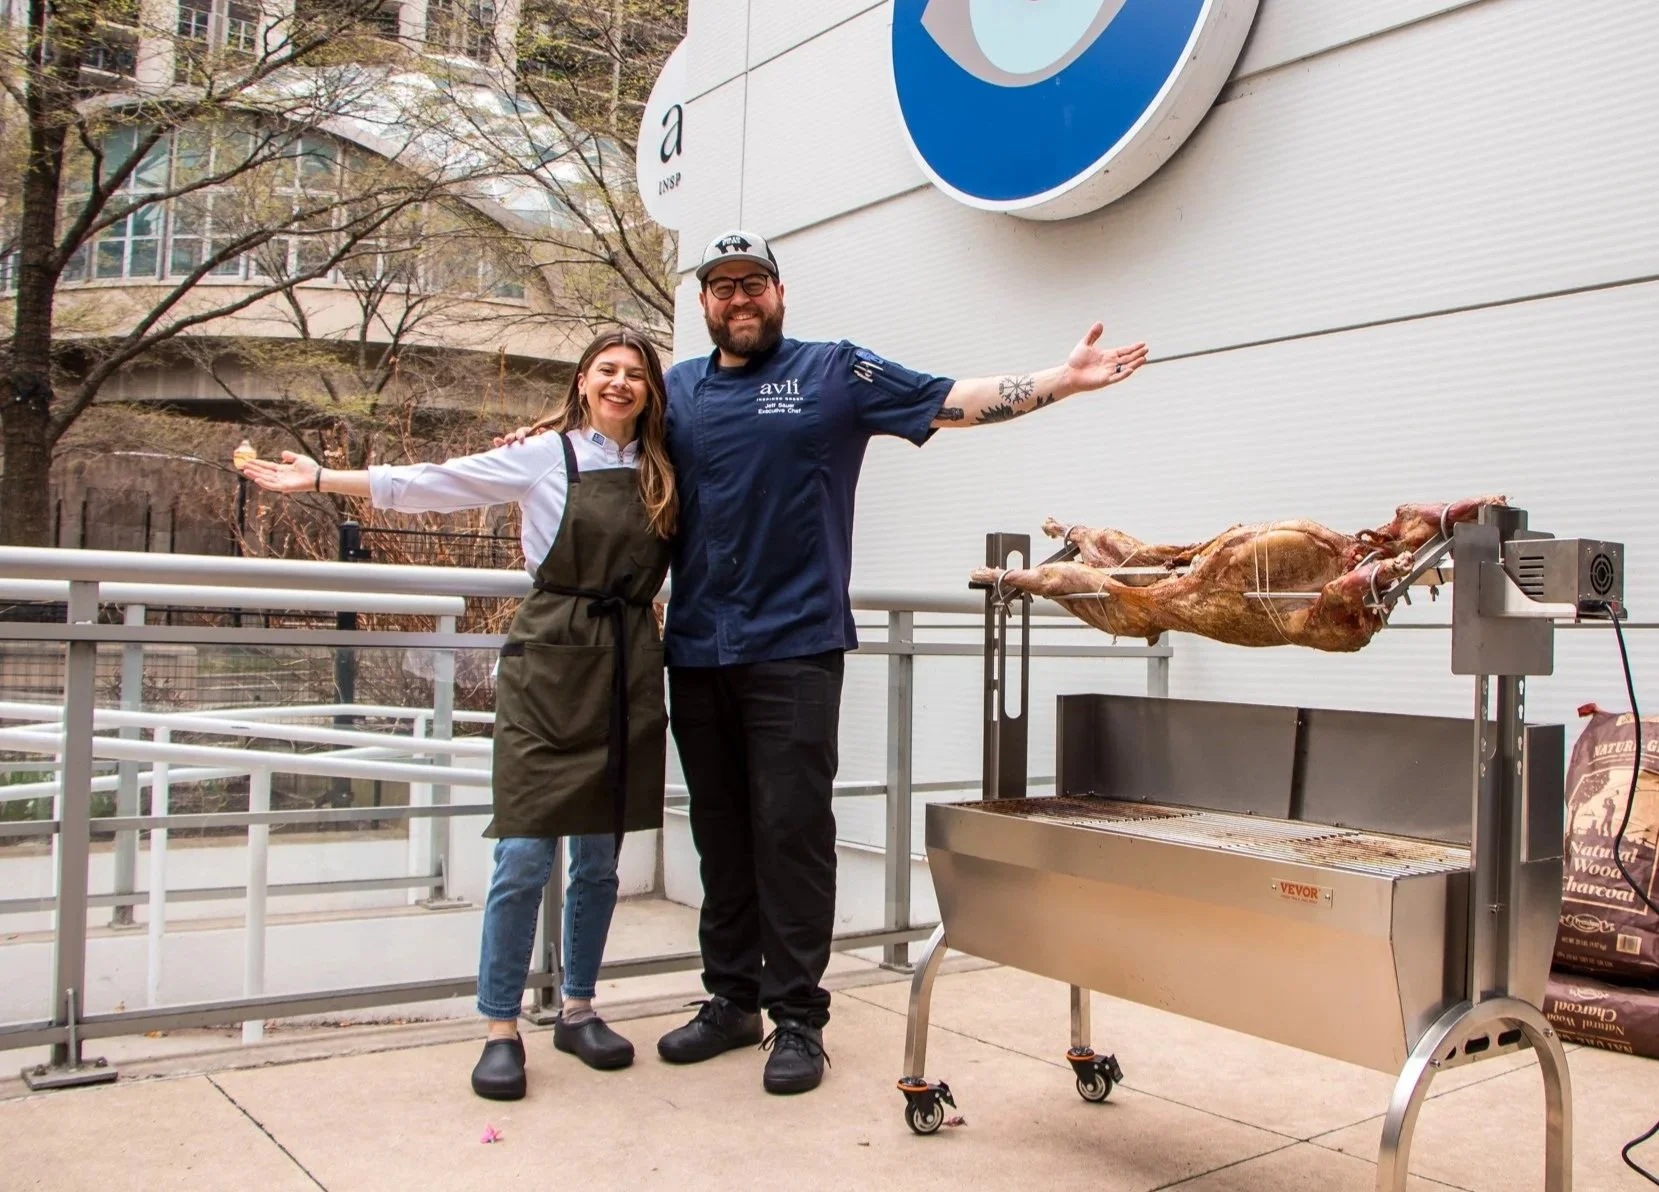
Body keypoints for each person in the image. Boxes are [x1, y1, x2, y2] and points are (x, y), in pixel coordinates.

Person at [500, 231, 1149, 1096]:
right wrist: (535, 439)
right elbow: (604, 426)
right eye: (721, 286)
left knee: (791, 832)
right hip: (694, 648)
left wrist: (1059, 382)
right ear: (703, 304)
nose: (738, 298)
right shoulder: (680, 390)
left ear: (778, 293)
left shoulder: (834, 373)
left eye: (753, 283)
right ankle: (730, 1001)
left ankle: (798, 1018)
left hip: (797, 647)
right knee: (720, 834)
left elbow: (951, 399)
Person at [241, 328, 676, 1102]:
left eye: (634, 374)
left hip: (628, 661)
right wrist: (324, 481)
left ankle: (577, 1009)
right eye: (606, 371)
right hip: (550, 659)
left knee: (600, 861)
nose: (619, 384)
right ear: (581, 382)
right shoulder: (545, 455)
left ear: (649, 390)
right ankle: (500, 1026)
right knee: (523, 857)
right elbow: (434, 482)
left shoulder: (663, 466)